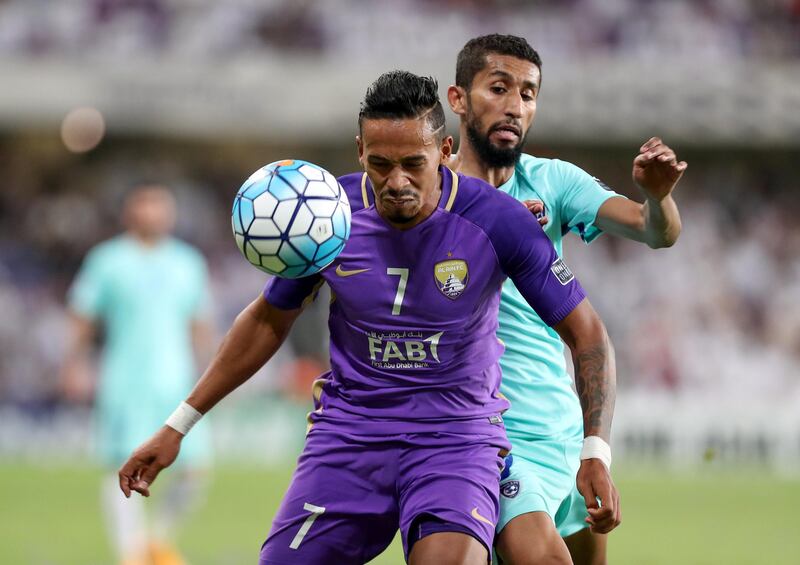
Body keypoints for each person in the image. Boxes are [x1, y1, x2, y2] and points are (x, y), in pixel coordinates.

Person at [117, 71, 618, 565]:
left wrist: (595, 449)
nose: (395, 182)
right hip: (350, 436)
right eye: (379, 164)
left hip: (455, 441)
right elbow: (270, 318)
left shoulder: (497, 221)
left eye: (412, 164)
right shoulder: (326, 214)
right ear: (360, 150)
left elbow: (587, 333)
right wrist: (179, 424)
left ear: (445, 152)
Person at [447, 34, 686, 564]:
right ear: (458, 98)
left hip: (564, 431)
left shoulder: (551, 182)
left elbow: (656, 232)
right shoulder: (431, 196)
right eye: (499, 87)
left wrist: (658, 195)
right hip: (491, 437)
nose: (515, 105)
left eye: (529, 93)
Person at [62, 183, 214, 565]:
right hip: (125, 381)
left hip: (178, 381)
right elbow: (83, 315)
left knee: (196, 468)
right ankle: (131, 555)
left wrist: (211, 373)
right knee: (122, 466)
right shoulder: (107, 260)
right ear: (131, 211)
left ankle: (156, 544)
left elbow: (200, 323)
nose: (156, 213)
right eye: (148, 205)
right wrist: (74, 363)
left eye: (163, 206)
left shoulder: (188, 262)